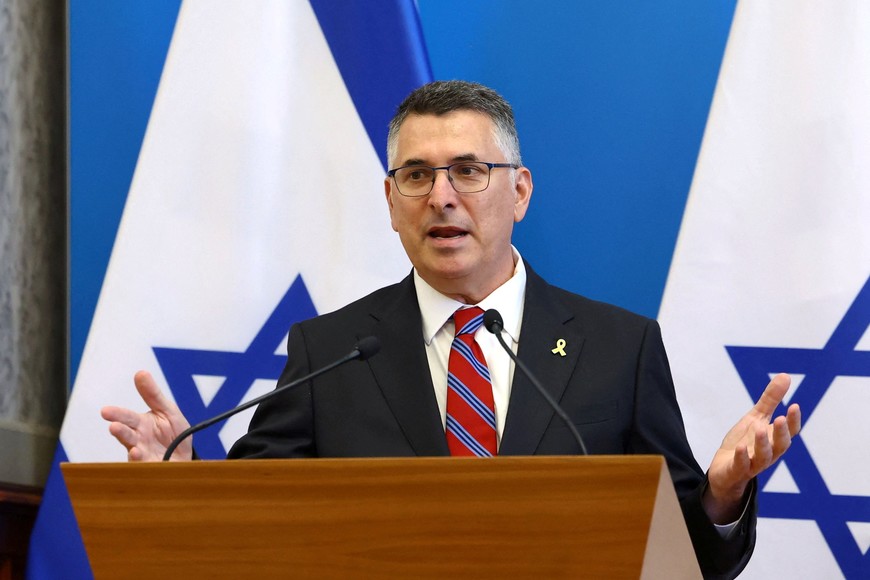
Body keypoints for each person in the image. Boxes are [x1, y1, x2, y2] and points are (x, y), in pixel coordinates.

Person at [101, 80, 801, 579]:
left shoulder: (618, 347)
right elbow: (259, 522)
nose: (441, 196)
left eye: (468, 171)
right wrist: (186, 479)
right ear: (391, 200)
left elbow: (689, 558)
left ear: (519, 191)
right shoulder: (330, 350)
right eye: (416, 175)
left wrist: (719, 496)